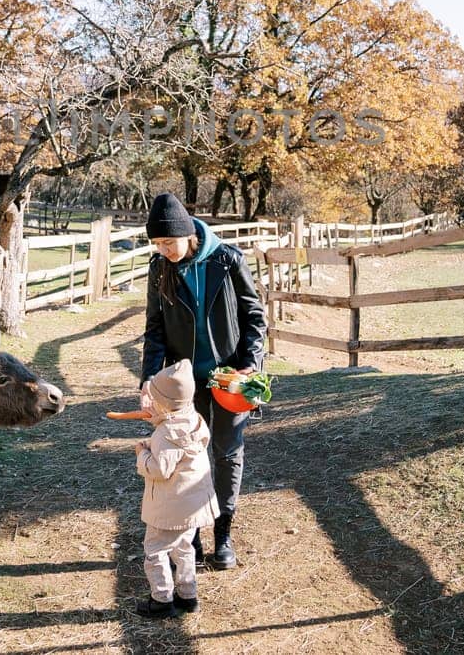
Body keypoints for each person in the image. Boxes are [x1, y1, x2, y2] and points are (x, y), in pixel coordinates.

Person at [139, 191, 266, 570]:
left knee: (227, 453)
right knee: (184, 458)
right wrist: (148, 379)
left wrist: (251, 364)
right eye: (158, 243)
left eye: (169, 242)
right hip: (183, 386)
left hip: (230, 380)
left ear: (188, 234)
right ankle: (190, 534)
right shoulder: (158, 268)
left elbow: (254, 317)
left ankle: (223, 534)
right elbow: (155, 329)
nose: (165, 250)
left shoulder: (227, 261)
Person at [134, 359, 219, 618]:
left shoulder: (165, 434)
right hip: (191, 505)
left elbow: (161, 469)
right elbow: (179, 449)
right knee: (184, 548)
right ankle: (188, 595)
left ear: (162, 402)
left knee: (156, 550)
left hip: (169, 507)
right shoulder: (193, 420)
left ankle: (161, 599)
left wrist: (142, 455)